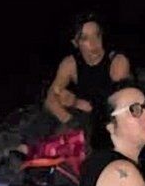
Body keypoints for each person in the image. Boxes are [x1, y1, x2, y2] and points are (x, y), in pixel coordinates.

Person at [18, 14, 132, 148]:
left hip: (110, 118)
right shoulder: (70, 64)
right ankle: (23, 152)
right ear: (75, 43)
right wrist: (68, 120)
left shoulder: (117, 62)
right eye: (85, 38)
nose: (94, 43)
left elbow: (114, 106)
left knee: (91, 125)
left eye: (97, 35)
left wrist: (75, 103)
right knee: (44, 119)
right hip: (82, 116)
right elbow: (51, 99)